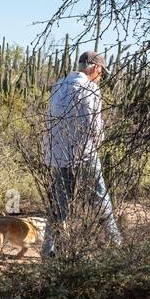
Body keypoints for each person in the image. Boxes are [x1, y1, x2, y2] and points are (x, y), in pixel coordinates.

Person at [42, 50, 122, 255]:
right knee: (100, 197)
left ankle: (49, 251)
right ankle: (116, 245)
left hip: (57, 154)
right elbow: (95, 128)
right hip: (83, 152)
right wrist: (96, 143)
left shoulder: (58, 85)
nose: (101, 76)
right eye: (102, 71)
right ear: (95, 68)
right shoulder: (90, 89)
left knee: (59, 204)